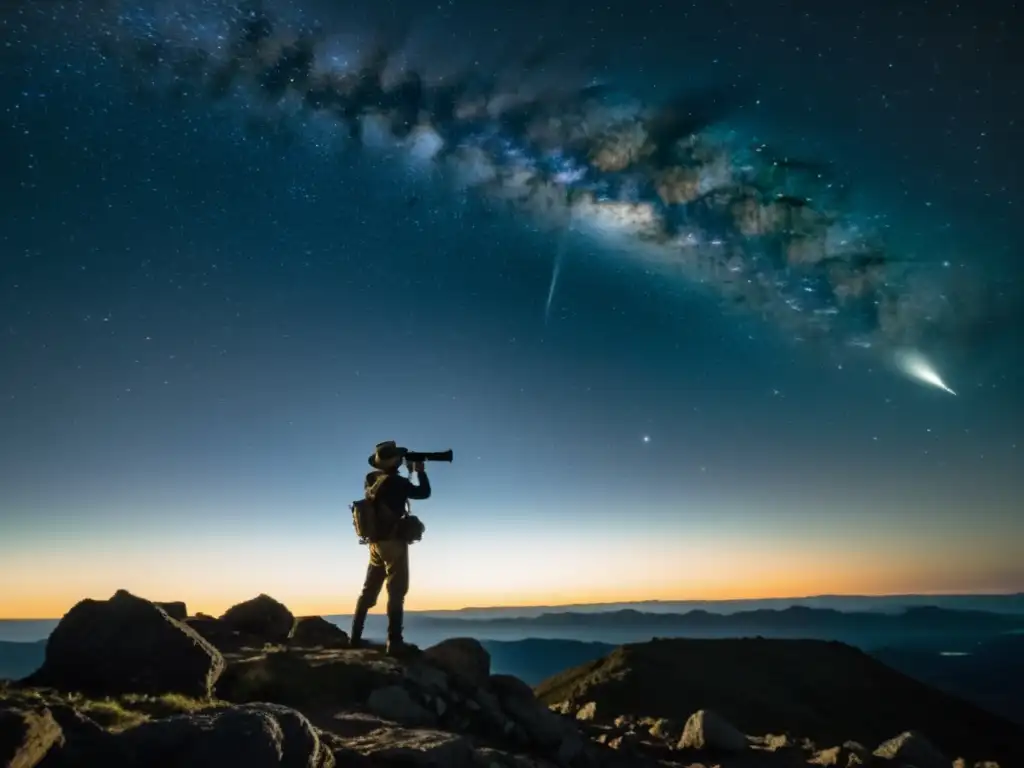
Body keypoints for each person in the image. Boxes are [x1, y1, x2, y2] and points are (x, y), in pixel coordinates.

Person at [349, 440, 431, 656]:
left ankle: (354, 637)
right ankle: (394, 642)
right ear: (396, 462)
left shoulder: (371, 479)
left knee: (369, 590)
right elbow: (423, 493)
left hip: (375, 544)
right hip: (394, 543)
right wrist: (420, 472)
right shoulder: (397, 483)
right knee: (396, 592)